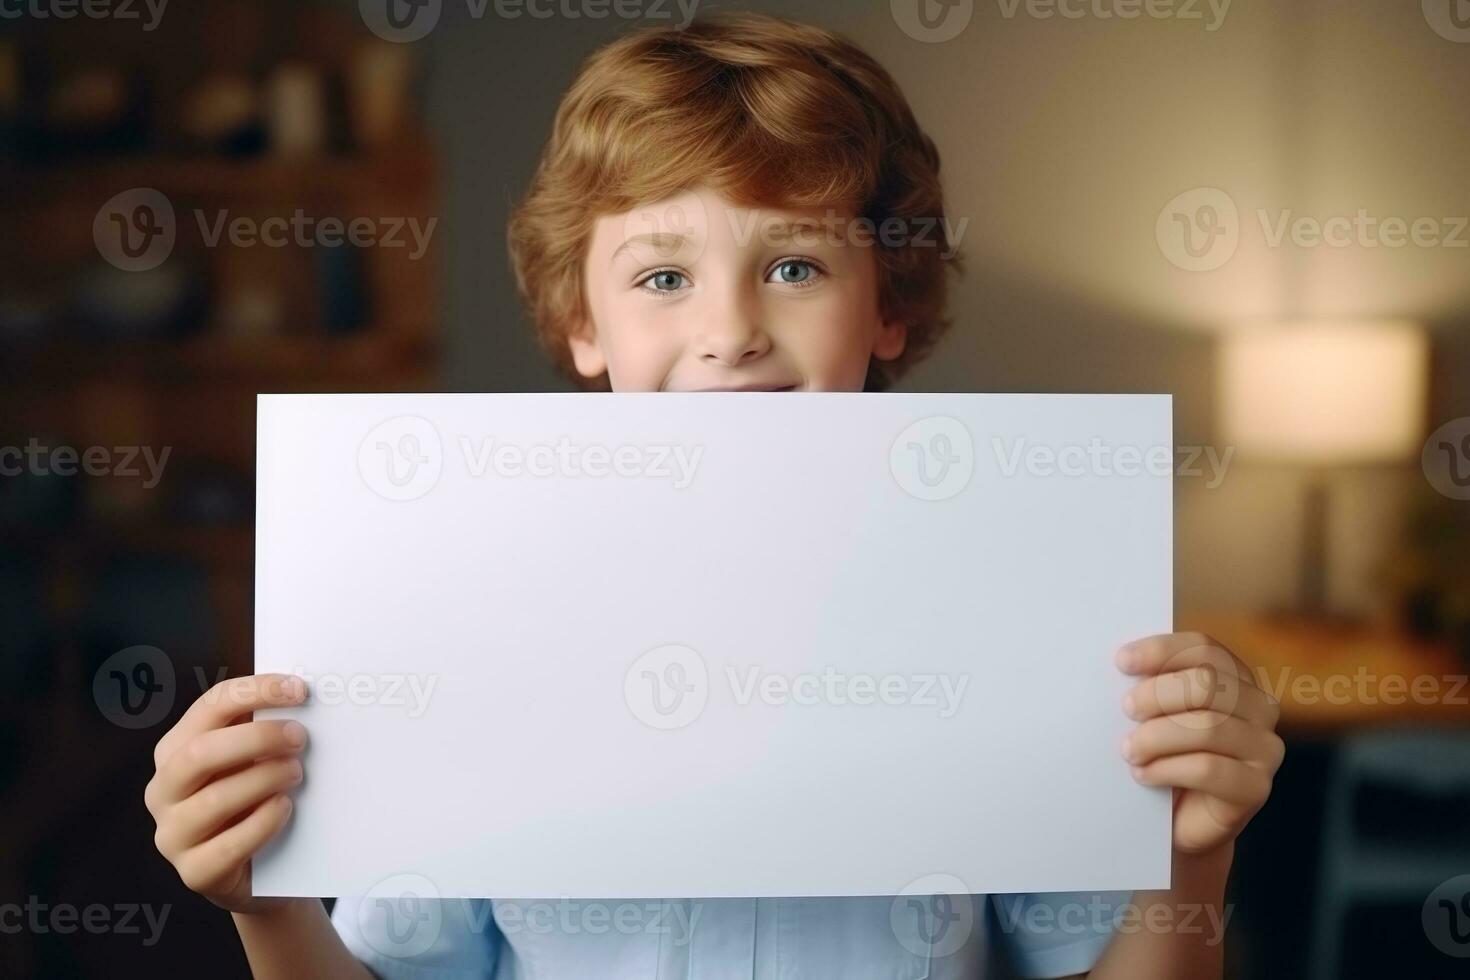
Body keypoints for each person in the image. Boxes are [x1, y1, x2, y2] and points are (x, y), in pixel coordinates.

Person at [144, 13, 1283, 978]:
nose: (731, 332)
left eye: (795, 266)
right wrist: (267, 902)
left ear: (885, 304)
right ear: (584, 324)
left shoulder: (1011, 613)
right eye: (663, 276)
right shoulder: (480, 619)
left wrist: (1194, 855)